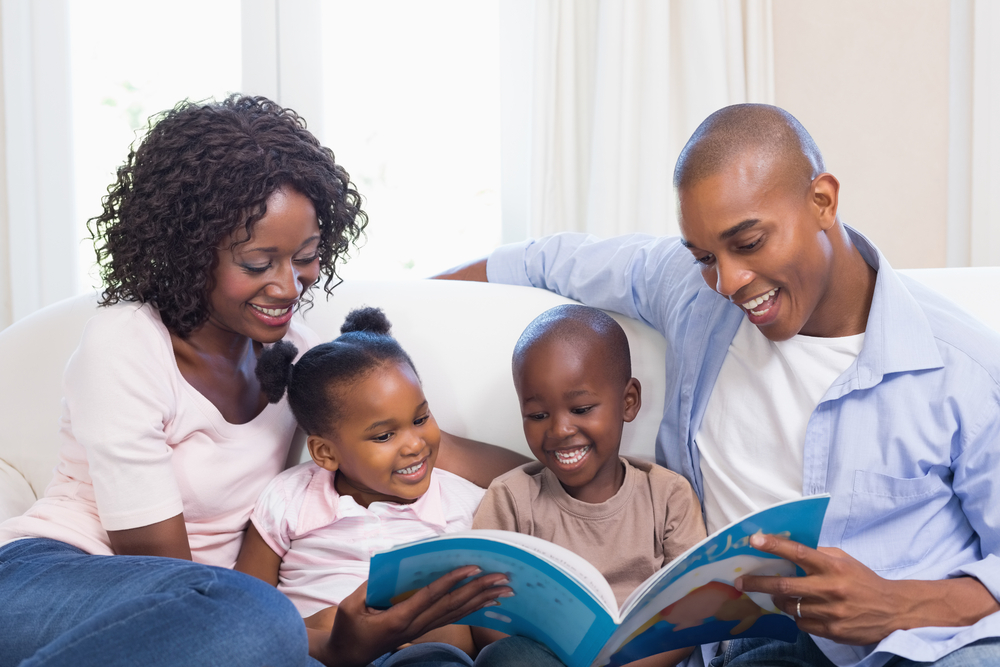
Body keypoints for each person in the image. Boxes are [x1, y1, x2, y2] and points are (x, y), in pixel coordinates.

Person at [436, 104, 1000, 666]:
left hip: (902, 648)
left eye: (749, 243)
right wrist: (373, 317)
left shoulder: (962, 368)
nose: (727, 281)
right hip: (733, 644)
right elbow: (548, 260)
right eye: (706, 256)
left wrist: (897, 603)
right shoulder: (689, 289)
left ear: (822, 201)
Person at [0, 94, 517, 667]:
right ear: (190, 252)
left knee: (256, 623)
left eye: (306, 256)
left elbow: (426, 448)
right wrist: (326, 642)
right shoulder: (126, 344)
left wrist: (588, 479)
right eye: (257, 263)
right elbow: (171, 581)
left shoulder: (300, 358)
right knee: (253, 620)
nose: (289, 286)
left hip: (224, 615)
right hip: (55, 576)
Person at [235, 306, 498, 666]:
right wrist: (320, 631)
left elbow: (479, 630)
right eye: (385, 435)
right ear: (325, 453)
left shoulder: (464, 504)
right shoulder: (287, 497)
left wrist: (429, 632)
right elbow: (242, 610)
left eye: (421, 418)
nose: (415, 444)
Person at [472, 304, 707, 667]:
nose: (559, 430)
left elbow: (690, 616)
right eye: (537, 415)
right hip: (542, 657)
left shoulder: (667, 496)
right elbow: (488, 619)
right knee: (504, 657)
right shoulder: (510, 498)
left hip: (640, 661)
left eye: (581, 409)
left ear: (628, 402)